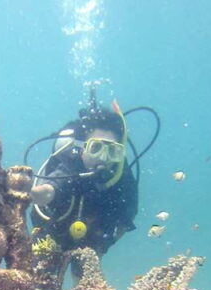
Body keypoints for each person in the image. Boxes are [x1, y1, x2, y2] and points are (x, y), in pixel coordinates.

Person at [27, 90, 159, 259]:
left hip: (92, 238)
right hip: (52, 228)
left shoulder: (121, 176)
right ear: (82, 148)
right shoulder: (70, 164)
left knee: (84, 272)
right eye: (96, 148)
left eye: (112, 150)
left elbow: (127, 217)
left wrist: (102, 246)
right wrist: (21, 193)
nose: (103, 158)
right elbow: (49, 191)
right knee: (43, 268)